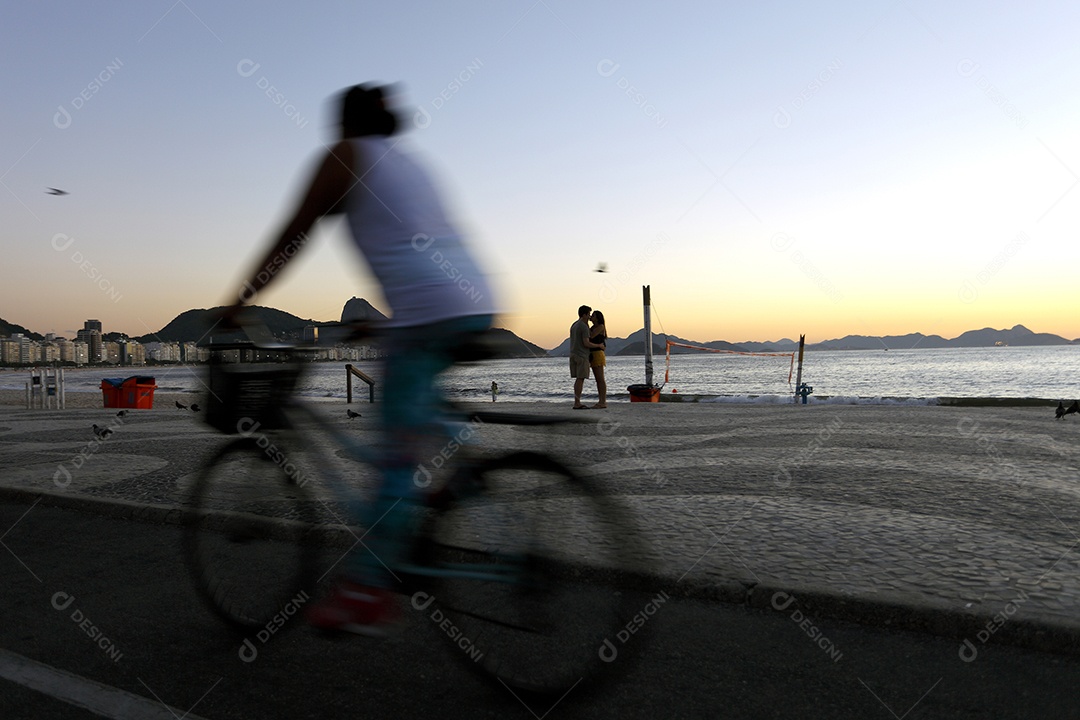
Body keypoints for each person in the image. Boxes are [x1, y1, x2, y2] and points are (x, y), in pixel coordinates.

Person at [221, 83, 496, 636]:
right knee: (417, 392)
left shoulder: (346, 154)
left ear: (344, 123)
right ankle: (460, 470)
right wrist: (383, 324)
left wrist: (238, 301)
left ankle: (368, 591)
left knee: (394, 458)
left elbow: (293, 234)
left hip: (428, 310)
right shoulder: (409, 163)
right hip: (471, 301)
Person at [569, 305, 603, 409]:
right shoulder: (584, 326)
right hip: (582, 355)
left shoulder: (574, 325)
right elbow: (586, 343)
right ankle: (577, 403)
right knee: (580, 379)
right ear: (584, 315)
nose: (589, 317)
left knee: (578, 379)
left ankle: (577, 401)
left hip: (573, 354)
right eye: (588, 314)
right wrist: (599, 346)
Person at [589, 310, 608, 408]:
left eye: (593, 316)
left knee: (600, 379)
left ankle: (603, 401)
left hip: (597, 354)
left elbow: (591, 336)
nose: (591, 317)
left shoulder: (600, 327)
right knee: (598, 379)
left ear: (597, 318)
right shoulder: (592, 327)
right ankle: (601, 400)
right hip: (592, 353)